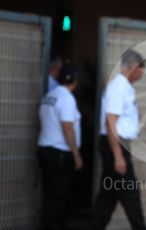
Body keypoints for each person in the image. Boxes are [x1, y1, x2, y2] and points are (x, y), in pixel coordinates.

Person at [91, 49, 146, 230]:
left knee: (107, 197)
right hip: (115, 145)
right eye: (140, 67)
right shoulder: (119, 86)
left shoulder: (125, 87)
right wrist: (118, 156)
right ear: (131, 67)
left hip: (117, 145)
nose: (142, 72)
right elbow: (110, 122)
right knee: (131, 195)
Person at [37, 64, 83, 230]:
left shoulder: (50, 96)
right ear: (75, 81)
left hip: (45, 150)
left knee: (50, 195)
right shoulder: (67, 99)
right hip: (60, 155)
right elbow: (67, 127)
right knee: (59, 197)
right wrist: (76, 154)